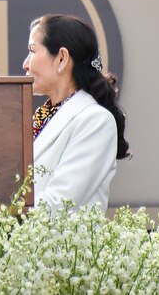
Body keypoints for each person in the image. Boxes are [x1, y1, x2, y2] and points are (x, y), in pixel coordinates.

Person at [23, 14, 129, 210]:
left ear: (62, 58)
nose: (26, 64)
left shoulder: (96, 121)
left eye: (32, 51)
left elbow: (60, 203)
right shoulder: (43, 116)